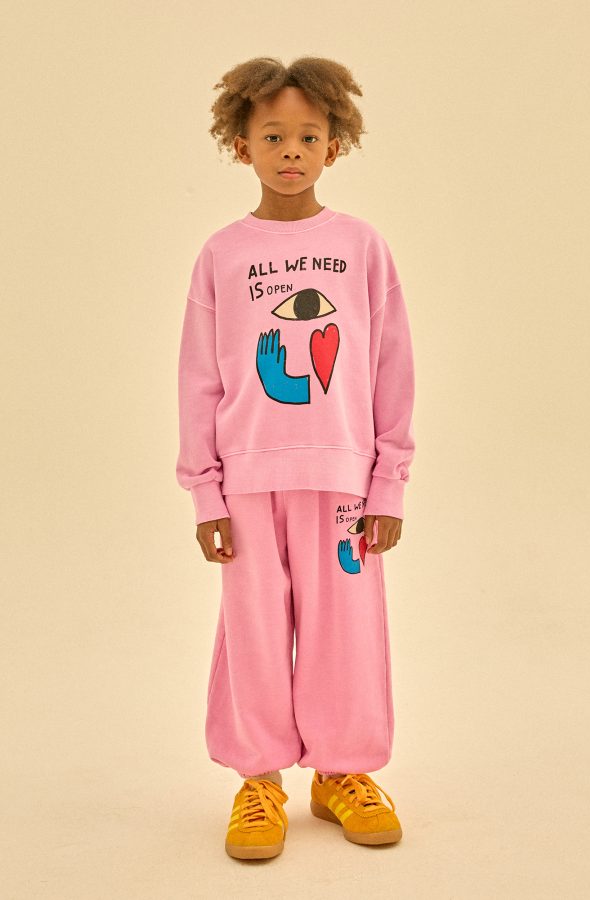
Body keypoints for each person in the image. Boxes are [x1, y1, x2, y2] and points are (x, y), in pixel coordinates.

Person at [176, 55, 416, 860]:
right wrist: (205, 493)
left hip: (343, 479)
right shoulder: (222, 254)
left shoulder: (361, 246)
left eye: (308, 137)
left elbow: (391, 365)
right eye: (273, 135)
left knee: (345, 630)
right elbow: (200, 378)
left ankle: (343, 772)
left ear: (333, 147)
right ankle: (259, 779)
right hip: (247, 481)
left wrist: (388, 483)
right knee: (252, 631)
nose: (291, 151)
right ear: (240, 145)